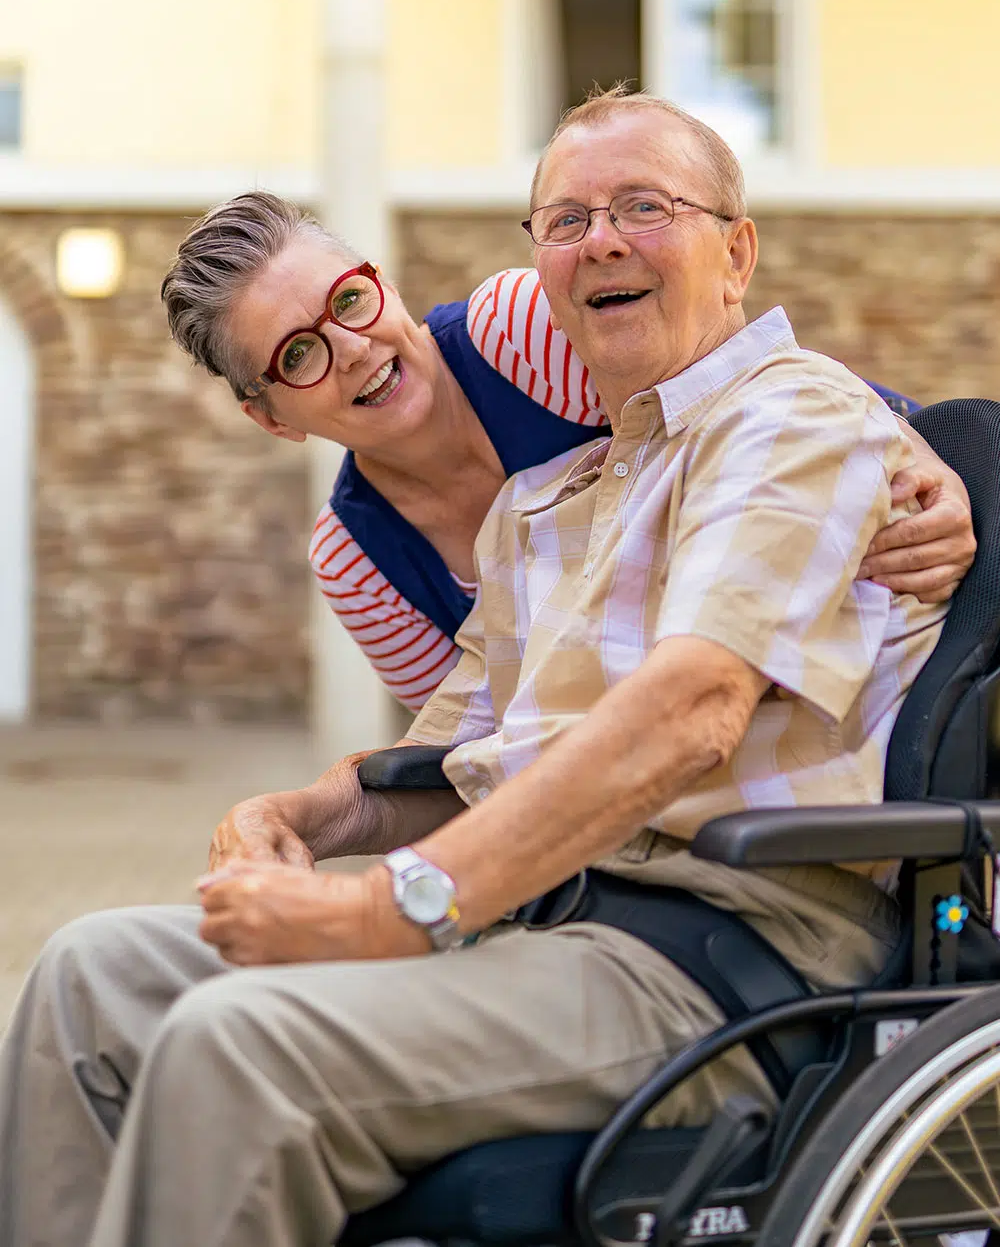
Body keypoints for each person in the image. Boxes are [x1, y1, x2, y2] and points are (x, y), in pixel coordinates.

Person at [0, 91, 956, 1247]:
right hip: (541, 919)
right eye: (566, 222)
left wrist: (398, 910)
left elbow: (693, 709)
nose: (600, 240)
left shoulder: (786, 420)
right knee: (87, 977)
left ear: (736, 248)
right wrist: (286, 814)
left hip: (712, 941)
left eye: (643, 207)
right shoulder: (544, 506)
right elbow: (448, 756)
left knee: (239, 1046)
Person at [161, 191, 974, 713]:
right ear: (273, 420)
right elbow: (467, 750)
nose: (352, 346)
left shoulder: (515, 332)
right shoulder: (356, 563)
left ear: (387, 285)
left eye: (349, 299)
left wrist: (920, 451)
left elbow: (751, 379)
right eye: (297, 355)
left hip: (808, 677)